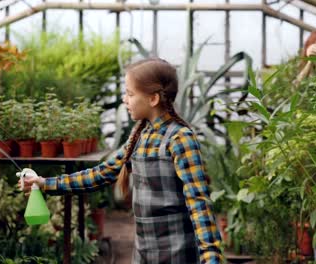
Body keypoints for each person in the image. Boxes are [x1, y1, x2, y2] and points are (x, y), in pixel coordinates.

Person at [19, 58, 224, 264]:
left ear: (153, 99)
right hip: (144, 252)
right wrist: (46, 183)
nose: (125, 100)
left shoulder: (180, 139)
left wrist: (211, 258)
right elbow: (100, 174)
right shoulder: (141, 135)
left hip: (178, 253)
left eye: (130, 94)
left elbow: (199, 203)